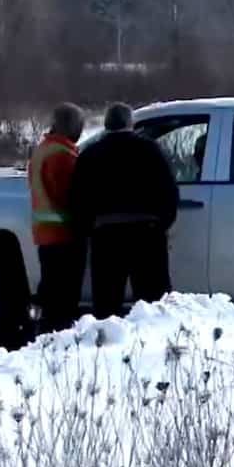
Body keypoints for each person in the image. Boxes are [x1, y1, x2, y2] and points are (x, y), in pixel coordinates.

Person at [69, 102, 179, 319]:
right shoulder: (151, 150)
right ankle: (153, 346)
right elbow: (169, 191)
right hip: (147, 233)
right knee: (153, 303)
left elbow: (78, 199)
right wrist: (162, 225)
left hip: (106, 235)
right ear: (131, 124)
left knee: (107, 304)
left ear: (106, 125)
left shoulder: (90, 155)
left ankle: (107, 346)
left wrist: (88, 229)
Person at [28, 102, 86, 332]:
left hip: (45, 232)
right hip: (63, 233)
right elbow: (71, 195)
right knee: (64, 296)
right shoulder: (62, 154)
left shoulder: (44, 149)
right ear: (71, 126)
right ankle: (57, 337)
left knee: (50, 290)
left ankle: (44, 332)